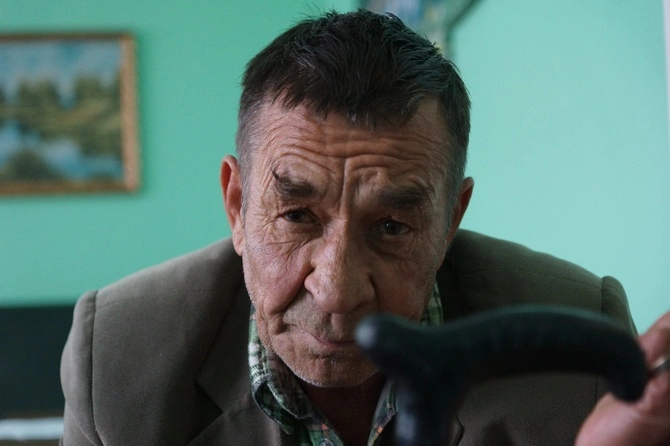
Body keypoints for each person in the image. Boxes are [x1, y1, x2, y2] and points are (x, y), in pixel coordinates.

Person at [60, 9, 670, 446]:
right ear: (237, 205)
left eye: (393, 226)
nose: (337, 290)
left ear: (451, 220)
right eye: (297, 216)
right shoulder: (117, 355)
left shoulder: (577, 350)